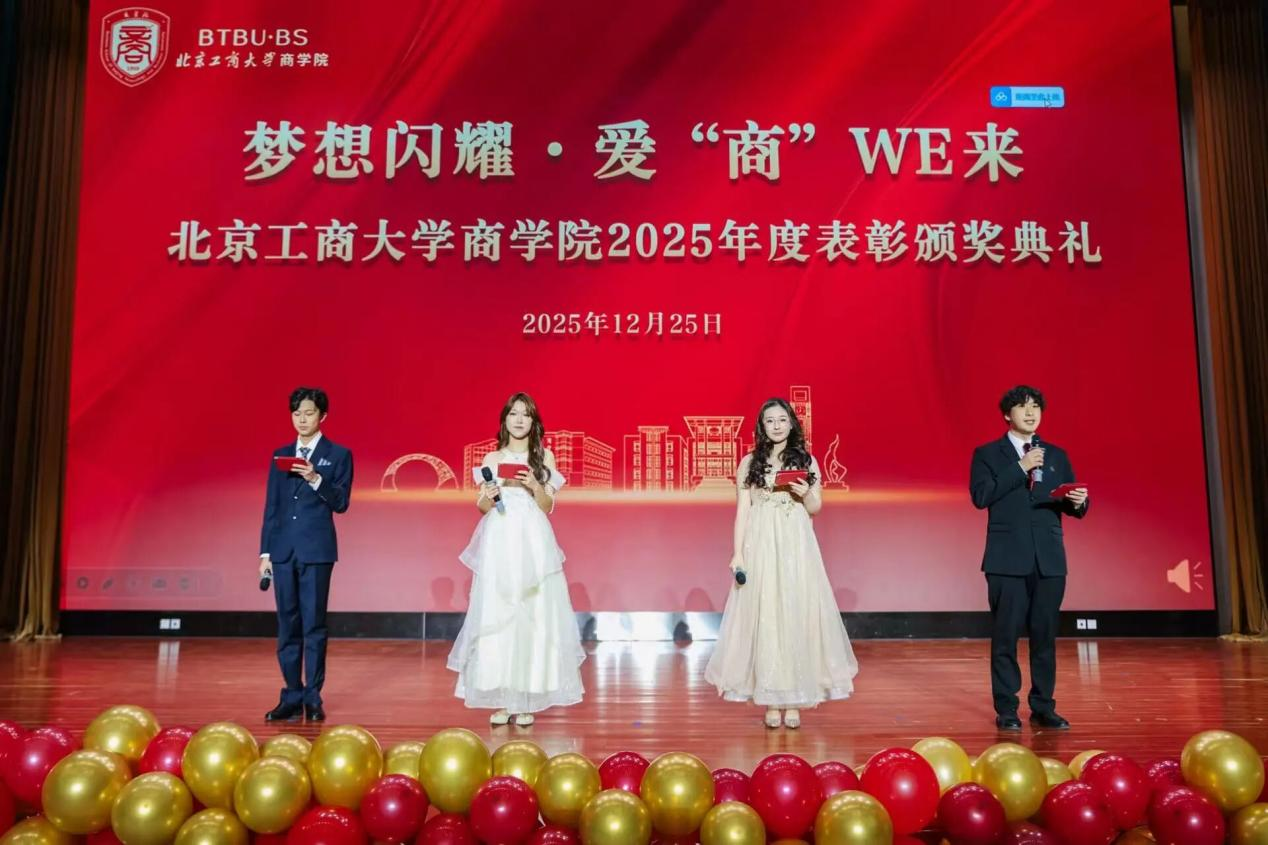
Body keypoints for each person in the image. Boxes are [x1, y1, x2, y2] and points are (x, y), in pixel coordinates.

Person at [704, 398, 858, 729]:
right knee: (768, 615)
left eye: (782, 419)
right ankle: (772, 700)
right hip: (761, 544)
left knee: (796, 614)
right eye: (769, 421)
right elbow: (742, 511)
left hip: (796, 545)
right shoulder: (750, 462)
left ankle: (795, 699)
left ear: (791, 423)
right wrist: (738, 552)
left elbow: (815, 507)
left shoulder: (806, 460)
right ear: (762, 427)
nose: (776, 426)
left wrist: (805, 492)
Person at [447, 392, 584, 727]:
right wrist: (491, 495)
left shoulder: (544, 457)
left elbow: (547, 506)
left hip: (533, 540)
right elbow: (482, 506)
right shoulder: (491, 458)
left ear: (534, 422)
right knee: (498, 612)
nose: (519, 420)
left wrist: (534, 483)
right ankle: (503, 698)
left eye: (526, 414)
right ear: (505, 420)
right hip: (500, 538)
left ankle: (525, 698)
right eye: (513, 414)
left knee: (534, 613)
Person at [970, 385, 1088, 731]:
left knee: (1045, 638)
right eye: (1023, 407)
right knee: (1005, 638)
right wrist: (1020, 467)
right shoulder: (987, 454)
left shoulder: (1056, 455)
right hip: (1006, 560)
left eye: (1035, 406)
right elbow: (981, 496)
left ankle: (1043, 706)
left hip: (1049, 560)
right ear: (1007, 415)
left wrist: (1079, 502)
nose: (1031, 412)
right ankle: (1007, 709)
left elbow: (1070, 500)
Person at [259, 387, 353, 722]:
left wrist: (315, 477)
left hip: (316, 551)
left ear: (322, 416)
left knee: (314, 625)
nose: (302, 419)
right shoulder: (281, 455)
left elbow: (341, 503)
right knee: (288, 625)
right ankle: (291, 694)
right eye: (297, 413)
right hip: (283, 551)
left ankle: (313, 696)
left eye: (309, 413)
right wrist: (265, 552)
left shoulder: (338, 455)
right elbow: (272, 507)